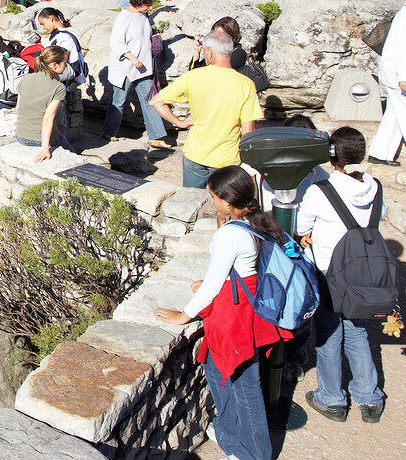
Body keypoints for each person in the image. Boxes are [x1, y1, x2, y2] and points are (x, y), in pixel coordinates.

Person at [153, 166, 292, 460]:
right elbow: (246, 268)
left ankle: (254, 453)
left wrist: (183, 316)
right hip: (252, 306)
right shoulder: (259, 220)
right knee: (218, 371)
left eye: (213, 194)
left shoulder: (229, 235)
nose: (210, 197)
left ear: (227, 202)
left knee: (246, 387)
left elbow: (213, 285)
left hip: (235, 317)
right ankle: (229, 433)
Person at [296, 127, 386, 423]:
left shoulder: (321, 190)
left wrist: (308, 235)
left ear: (331, 155)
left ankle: (332, 397)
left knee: (329, 333)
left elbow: (301, 226)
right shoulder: (376, 188)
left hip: (329, 273)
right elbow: (379, 215)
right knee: (358, 330)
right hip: (362, 274)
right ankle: (369, 397)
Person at [151, 30, 263, 188]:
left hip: (195, 155)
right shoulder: (245, 84)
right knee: (222, 207)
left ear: (210, 53)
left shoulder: (193, 77)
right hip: (226, 160)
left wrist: (179, 122)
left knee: (190, 203)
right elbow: (248, 131)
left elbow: (156, 102)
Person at [103, 0, 169, 148]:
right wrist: (131, 57)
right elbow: (116, 42)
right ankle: (109, 131)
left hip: (143, 66)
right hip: (126, 67)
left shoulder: (143, 16)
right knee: (119, 101)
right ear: (141, 2)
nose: (150, 8)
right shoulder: (123, 17)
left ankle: (156, 136)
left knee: (150, 100)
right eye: (149, 4)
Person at [34, 8, 88, 147]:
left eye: (43, 23)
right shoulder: (67, 32)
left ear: (51, 18)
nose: (43, 27)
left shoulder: (63, 37)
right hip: (68, 77)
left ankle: (61, 145)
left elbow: (61, 59)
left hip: (66, 78)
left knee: (58, 116)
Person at [15, 46, 72, 161]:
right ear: (54, 65)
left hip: (20, 135)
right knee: (72, 155)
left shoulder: (26, 78)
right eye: (65, 63)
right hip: (39, 139)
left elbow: (18, 108)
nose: (66, 66)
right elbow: (48, 118)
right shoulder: (58, 87)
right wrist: (45, 149)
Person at [190, 16, 270, 93]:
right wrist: (197, 51)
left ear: (232, 38)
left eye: (220, 35)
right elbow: (195, 74)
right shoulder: (216, 53)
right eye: (214, 34)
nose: (216, 38)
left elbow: (214, 72)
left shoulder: (238, 53)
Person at [369, 4, 406, 166]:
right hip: (398, 75)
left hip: (395, 74)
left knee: (394, 115)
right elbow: (402, 50)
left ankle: (379, 153)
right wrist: (403, 77)